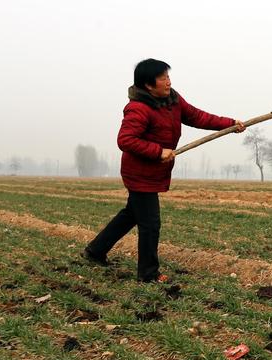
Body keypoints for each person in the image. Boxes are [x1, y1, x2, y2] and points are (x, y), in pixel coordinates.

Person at [83, 58, 245, 283]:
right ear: (149, 85)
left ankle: (95, 250)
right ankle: (148, 274)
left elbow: (197, 116)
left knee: (132, 214)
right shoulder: (138, 108)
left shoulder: (173, 100)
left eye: (168, 76)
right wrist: (158, 151)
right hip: (139, 173)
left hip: (154, 172)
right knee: (150, 223)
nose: (168, 82)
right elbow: (126, 140)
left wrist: (229, 124)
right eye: (163, 78)